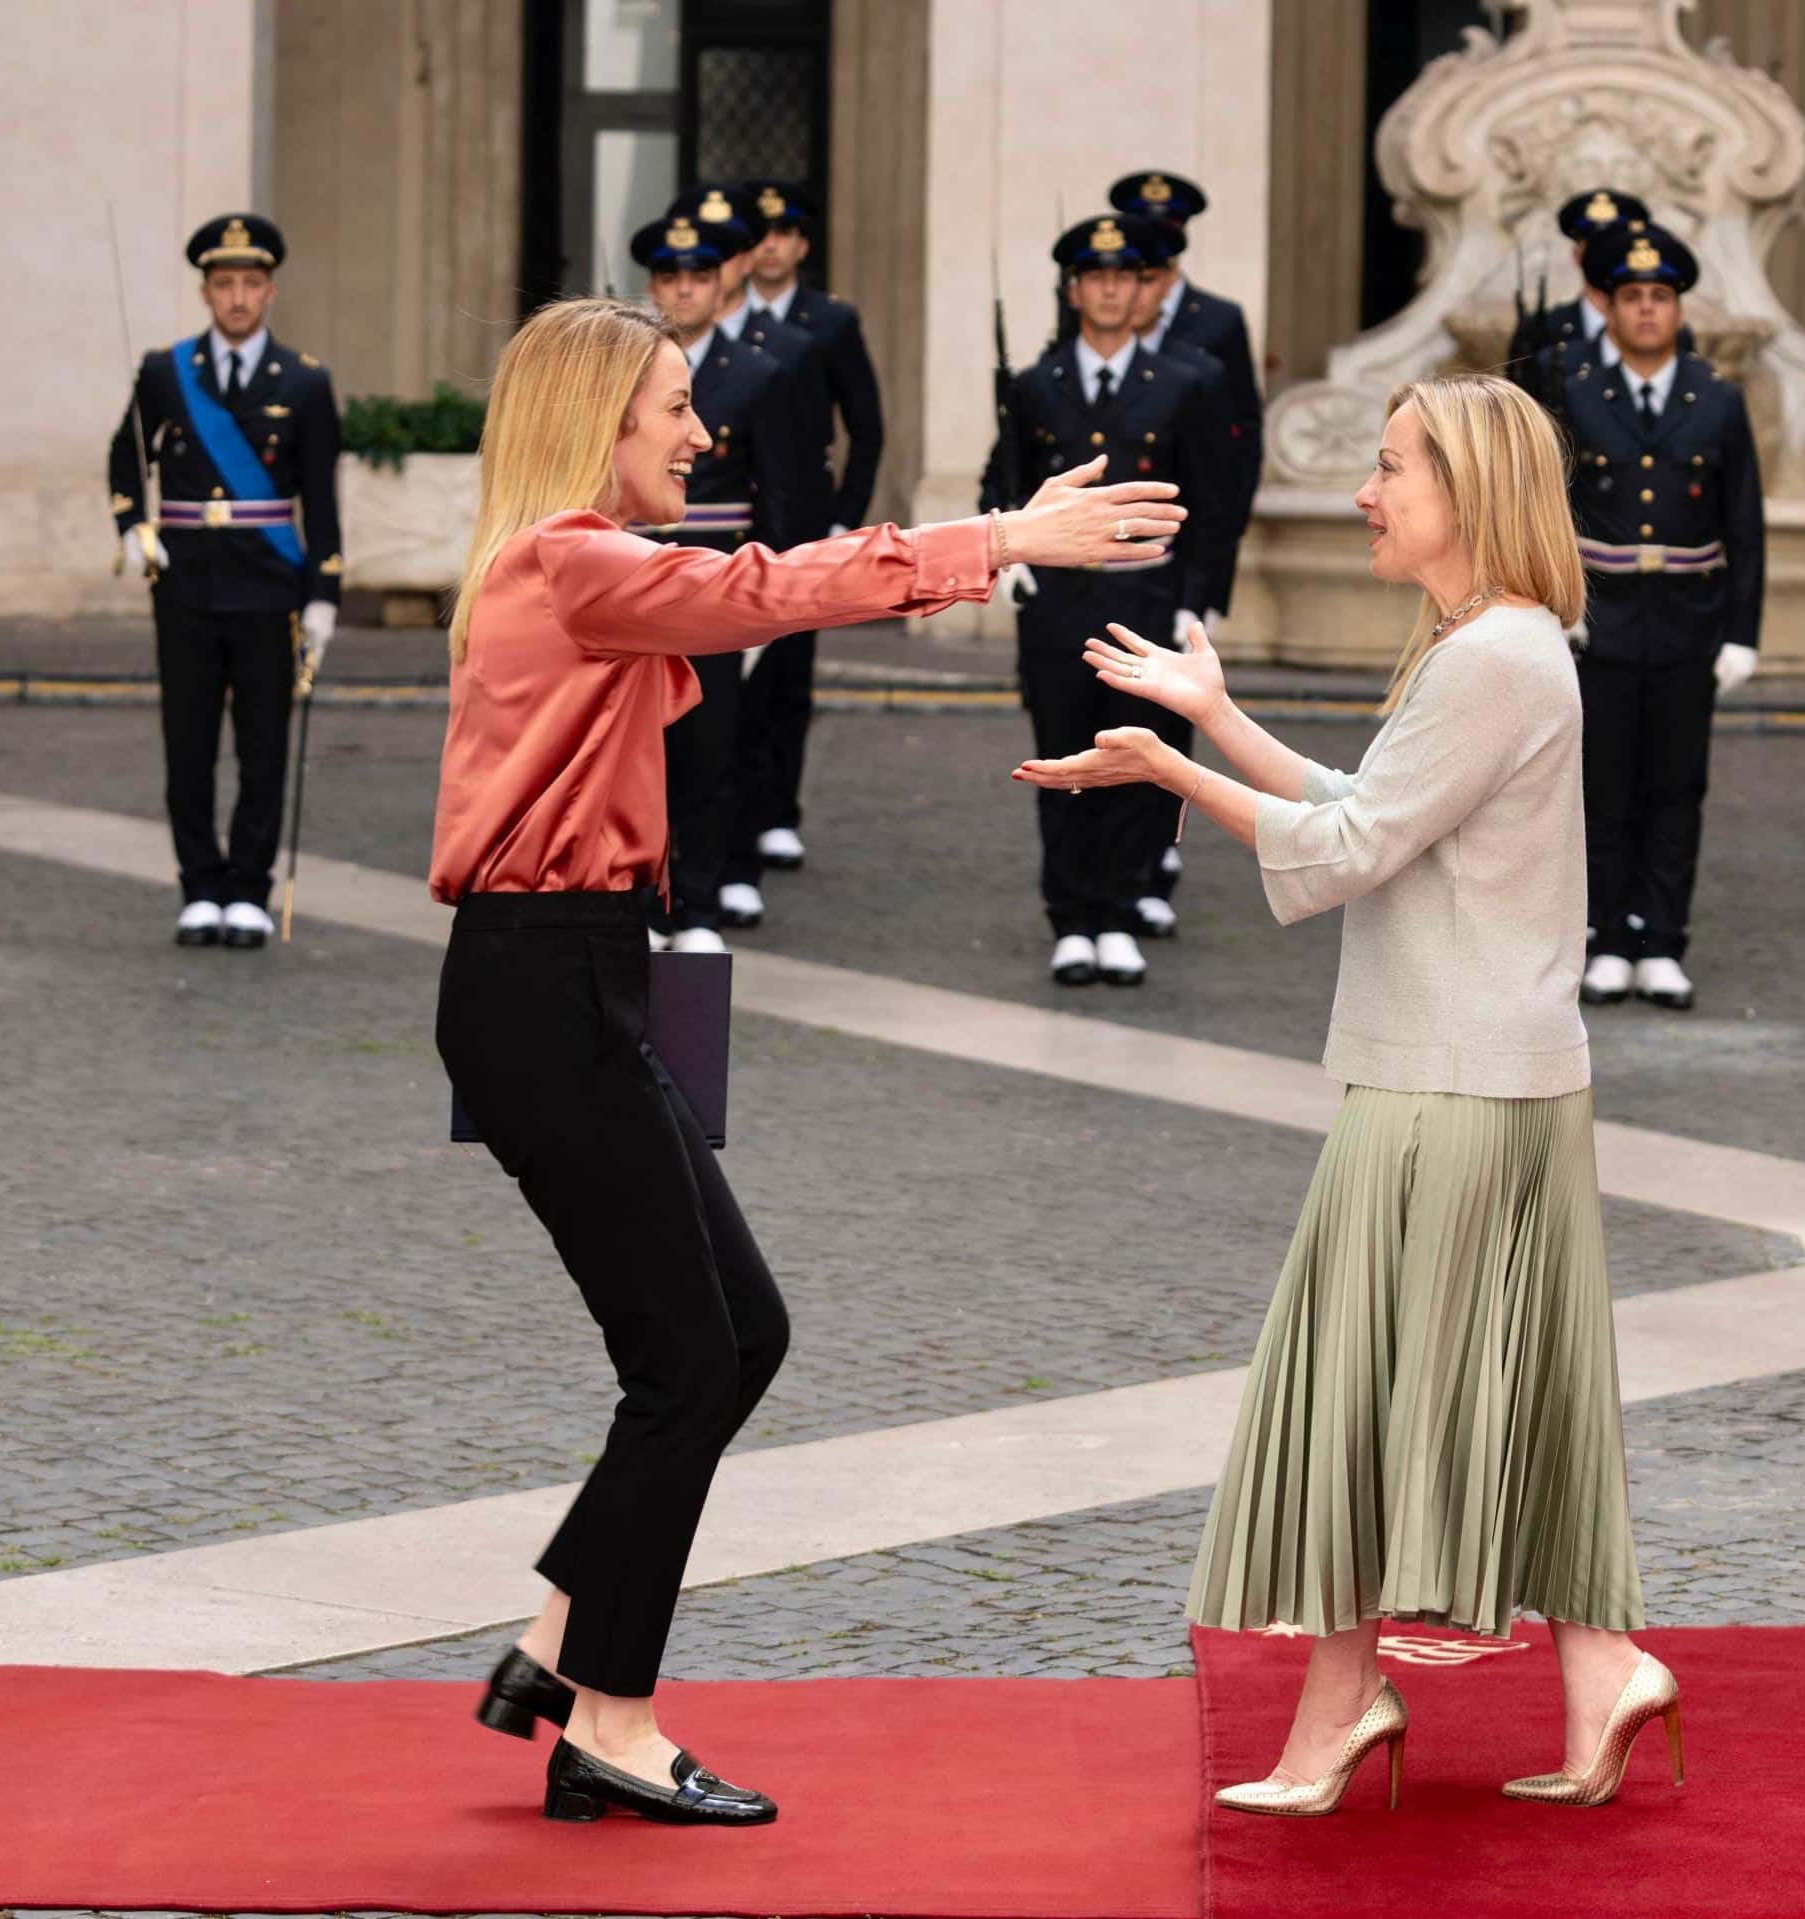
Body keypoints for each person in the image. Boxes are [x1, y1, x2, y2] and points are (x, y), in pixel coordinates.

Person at [430, 295, 1179, 1827]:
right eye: (674, 408)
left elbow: (741, 588)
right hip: (543, 986)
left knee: (741, 1330)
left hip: (581, 978)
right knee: (687, 1362)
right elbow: (767, 586)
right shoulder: (570, 563)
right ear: (595, 425)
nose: (699, 433)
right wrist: (1002, 538)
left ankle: (556, 1644)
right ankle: (612, 1720)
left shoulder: (571, 566)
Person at [1012, 374, 1674, 1815]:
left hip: (1446, 1079)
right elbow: (1376, 808)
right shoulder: (1495, 646)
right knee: (1509, 1389)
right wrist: (1213, 720)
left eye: (1389, 469)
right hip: (1494, 1073)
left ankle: (1342, 1707)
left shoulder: (1490, 655)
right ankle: (1598, 1664)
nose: (1366, 493)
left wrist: (1177, 766)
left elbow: (1357, 840)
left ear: (1470, 492)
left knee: (1363, 1395)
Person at [979, 213, 1234, 987]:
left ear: (1145, 290)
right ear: (1073, 289)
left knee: (1140, 758)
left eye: (1125, 277)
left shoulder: (1189, 381)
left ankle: (1120, 910)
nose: (1111, 290)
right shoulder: (1035, 384)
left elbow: (1211, 502)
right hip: (1059, 600)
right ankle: (1073, 915)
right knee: (1061, 759)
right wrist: (1007, 550)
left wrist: (1200, 598)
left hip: (1147, 597)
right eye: (1096, 278)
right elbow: (1005, 479)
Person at [105, 213, 343, 950]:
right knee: (188, 742)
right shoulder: (165, 372)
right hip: (185, 586)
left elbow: (321, 498)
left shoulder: (304, 382)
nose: (237, 297)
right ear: (206, 291)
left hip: (270, 585)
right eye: (223, 284)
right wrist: (131, 526)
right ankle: (198, 886)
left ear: (270, 291)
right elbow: (124, 457)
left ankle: (248, 888)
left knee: (263, 744)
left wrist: (325, 593)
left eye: (250, 283)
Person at [1554, 224, 1764, 1013]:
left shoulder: (1714, 398)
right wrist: (1558, 604)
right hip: (1601, 620)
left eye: (1661, 298)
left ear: (1678, 308)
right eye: (1633, 297)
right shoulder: (1575, 393)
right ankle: (1609, 939)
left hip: (1687, 619)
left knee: (1676, 786)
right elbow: (1550, 510)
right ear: (1608, 305)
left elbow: (1743, 523)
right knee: (1602, 786)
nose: (1647, 311)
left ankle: (1664, 941)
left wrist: (1743, 632)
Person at [627, 209, 809, 953]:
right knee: (633, 758)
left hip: (715, 584)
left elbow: (782, 499)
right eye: (668, 277)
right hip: (633, 583)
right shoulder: (622, 370)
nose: (681, 291)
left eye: (696, 277)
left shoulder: (757, 372)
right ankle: (640, 901)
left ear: (720, 282)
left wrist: (772, 607)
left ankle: (696, 905)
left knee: (709, 753)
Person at [1113, 173, 1266, 937]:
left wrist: (1210, 573)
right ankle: (1107, 864)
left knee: (1172, 714)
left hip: (1174, 557)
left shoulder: (1215, 322)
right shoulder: (1097, 314)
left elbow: (1235, 454)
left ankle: (1154, 848)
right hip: (1108, 556)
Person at [734, 179, 889, 884]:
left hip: (802, 523)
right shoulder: (721, 313)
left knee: (788, 674)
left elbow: (866, 426)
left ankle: (776, 813)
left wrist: (840, 520)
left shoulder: (828, 321)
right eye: (760, 234)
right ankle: (728, 807)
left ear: (801, 245)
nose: (772, 246)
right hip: (734, 517)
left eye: (785, 234)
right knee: (725, 676)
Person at [1503, 186, 1696, 376]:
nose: (1603, 254)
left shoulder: (1668, 331)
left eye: (1616, 244)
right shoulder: (1543, 328)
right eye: (1594, 246)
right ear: (1577, 255)